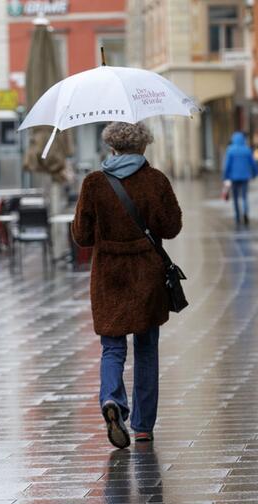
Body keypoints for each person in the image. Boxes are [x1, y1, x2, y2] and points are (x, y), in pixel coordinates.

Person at [72, 122, 183, 449]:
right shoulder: (155, 180)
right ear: (144, 146)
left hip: (109, 276)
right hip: (147, 275)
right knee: (146, 349)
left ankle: (112, 401)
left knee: (112, 347)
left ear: (111, 147)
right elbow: (172, 227)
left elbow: (81, 236)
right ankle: (143, 426)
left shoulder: (93, 183)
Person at [222, 131, 258, 227]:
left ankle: (238, 216)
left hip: (233, 178)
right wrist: (255, 173)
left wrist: (225, 176)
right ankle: (245, 212)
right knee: (244, 197)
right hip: (245, 177)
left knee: (235, 198)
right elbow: (253, 163)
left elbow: (227, 165)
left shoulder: (230, 150)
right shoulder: (247, 150)